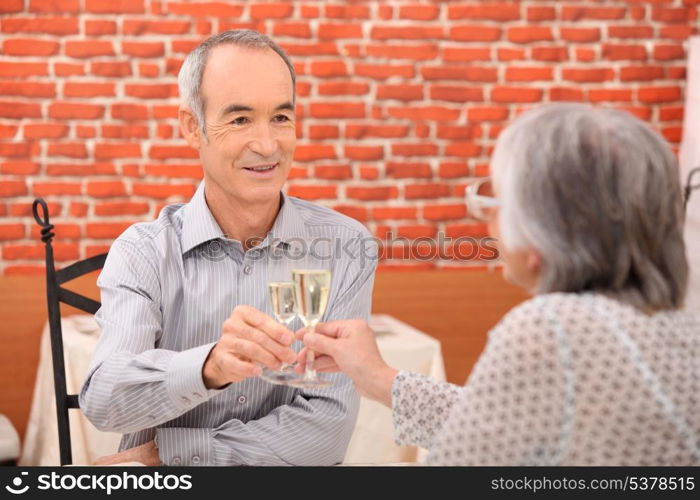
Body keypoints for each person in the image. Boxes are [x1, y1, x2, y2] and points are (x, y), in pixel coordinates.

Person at [294, 103, 700, 466]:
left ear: (544, 229)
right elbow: (503, 421)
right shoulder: (682, 325)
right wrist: (377, 377)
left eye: (499, 201)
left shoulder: (552, 329)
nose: (488, 223)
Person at [79, 30, 377, 466]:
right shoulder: (144, 252)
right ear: (192, 128)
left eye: (280, 117)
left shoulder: (346, 246)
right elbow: (105, 400)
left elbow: (326, 430)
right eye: (240, 120)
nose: (267, 144)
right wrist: (210, 367)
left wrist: (172, 455)